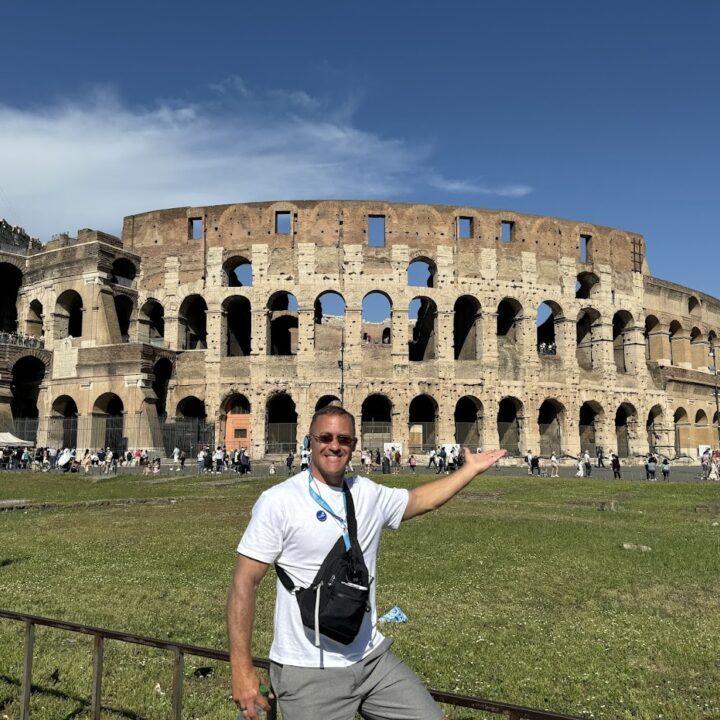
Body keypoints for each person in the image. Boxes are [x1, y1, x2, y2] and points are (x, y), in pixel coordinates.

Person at [227, 405, 506, 720]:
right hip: (308, 669)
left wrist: (469, 470)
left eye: (343, 439)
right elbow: (244, 581)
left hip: (371, 659)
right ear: (310, 442)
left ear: (354, 445)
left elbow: (420, 501)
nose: (335, 446)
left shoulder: (367, 493)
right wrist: (241, 668)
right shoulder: (279, 501)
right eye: (326, 437)